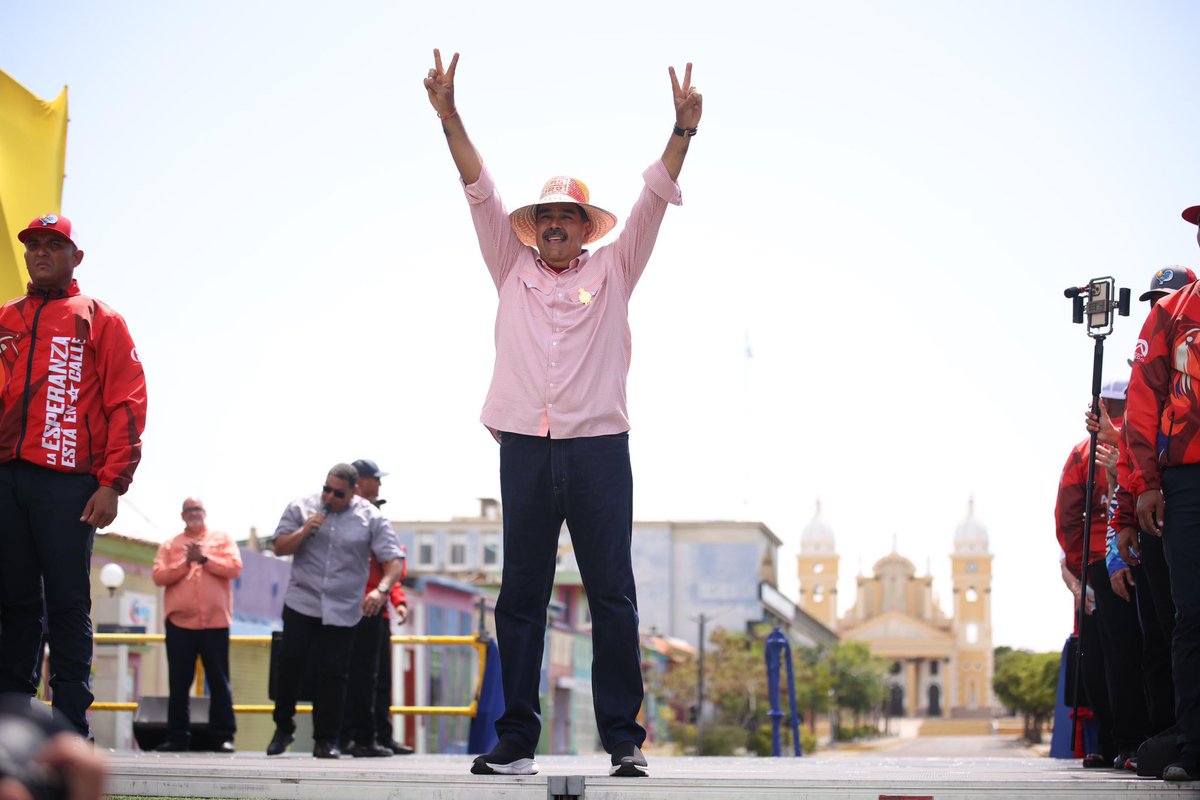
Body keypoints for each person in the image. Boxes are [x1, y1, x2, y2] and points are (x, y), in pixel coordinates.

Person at [423, 49, 701, 778]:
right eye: (543, 216)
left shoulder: (615, 267)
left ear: (585, 227)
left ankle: (624, 741)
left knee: (611, 591)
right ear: (532, 228)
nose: (552, 225)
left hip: (599, 448)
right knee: (520, 595)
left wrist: (681, 131)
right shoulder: (508, 266)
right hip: (525, 445)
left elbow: (650, 201)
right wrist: (450, 115)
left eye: (565, 217)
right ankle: (516, 737)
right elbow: (479, 189)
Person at [0, 214, 148, 738]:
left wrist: (112, 482)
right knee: (13, 601)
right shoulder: (5, 319)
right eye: (33, 245)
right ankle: (12, 724)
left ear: (75, 257)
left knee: (66, 601)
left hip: (68, 484)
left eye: (53, 245)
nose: (41, 252)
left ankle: (68, 726)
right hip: (6, 480)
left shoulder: (98, 317)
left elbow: (126, 401)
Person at [1125, 204, 1200, 782]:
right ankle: (1195, 746)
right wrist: (1147, 484)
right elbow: (1144, 404)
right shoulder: (1172, 314)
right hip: (1187, 481)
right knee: (1192, 613)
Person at [267, 463, 405, 759]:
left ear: (354, 492)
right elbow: (279, 546)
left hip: (343, 607)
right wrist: (305, 531)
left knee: (334, 673)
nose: (330, 497)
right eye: (326, 489)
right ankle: (283, 728)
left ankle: (326, 740)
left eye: (338, 493)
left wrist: (381, 590)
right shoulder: (301, 507)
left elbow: (394, 559)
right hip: (303, 601)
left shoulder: (370, 517)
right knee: (289, 665)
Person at [150, 498, 243, 752]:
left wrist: (204, 558)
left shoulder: (221, 539)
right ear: (182, 515)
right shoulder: (171, 544)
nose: (194, 514)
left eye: (197, 510)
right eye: (189, 511)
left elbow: (235, 568)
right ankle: (177, 737)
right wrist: (186, 563)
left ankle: (222, 737)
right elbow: (159, 575)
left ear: (205, 513)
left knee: (219, 680)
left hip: (215, 622)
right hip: (180, 623)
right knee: (179, 682)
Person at [339, 458, 412, 757]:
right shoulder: (344, 517)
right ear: (361, 482)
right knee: (351, 676)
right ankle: (351, 737)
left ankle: (379, 735)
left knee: (380, 678)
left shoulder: (376, 521)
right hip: (350, 609)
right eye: (375, 479)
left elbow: (391, 568)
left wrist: (398, 601)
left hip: (376, 609)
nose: (379, 484)